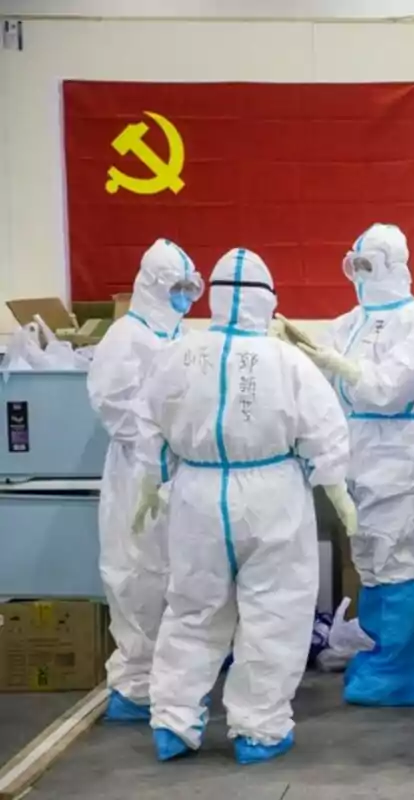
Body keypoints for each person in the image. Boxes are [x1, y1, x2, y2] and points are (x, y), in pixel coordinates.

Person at [131, 247, 355, 765]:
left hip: (197, 493)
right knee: (274, 612)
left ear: (214, 295)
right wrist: (337, 489)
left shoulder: (178, 353)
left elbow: (147, 424)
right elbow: (325, 430)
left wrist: (152, 480)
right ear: (267, 299)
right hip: (272, 494)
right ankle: (259, 729)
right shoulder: (288, 361)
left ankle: (173, 722)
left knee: (191, 608)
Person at [292, 223, 414, 707]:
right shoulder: (347, 323)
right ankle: (384, 654)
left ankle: (404, 674)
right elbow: (322, 388)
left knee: (399, 559)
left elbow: (386, 390)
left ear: (393, 264)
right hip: (357, 452)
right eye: (354, 263)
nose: (359, 274)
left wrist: (340, 368)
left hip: (402, 453)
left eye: (369, 264)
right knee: (372, 561)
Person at [86, 238, 202, 722]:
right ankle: (135, 687)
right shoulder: (125, 337)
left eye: (188, 287)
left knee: (174, 574)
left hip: (170, 471)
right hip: (138, 472)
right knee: (136, 574)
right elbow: (113, 405)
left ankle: (168, 681)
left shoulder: (173, 336)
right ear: (153, 284)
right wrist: (160, 438)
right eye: (176, 287)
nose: (183, 297)